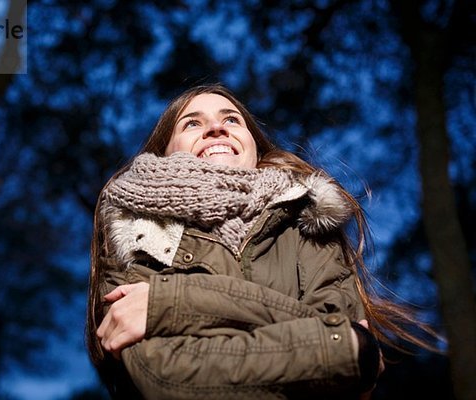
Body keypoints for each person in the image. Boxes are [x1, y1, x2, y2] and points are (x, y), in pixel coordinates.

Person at [86, 83, 439, 399]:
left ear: (255, 145)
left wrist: (171, 303)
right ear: (164, 151)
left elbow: (342, 365)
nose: (215, 127)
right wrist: (324, 343)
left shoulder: (306, 222)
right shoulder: (134, 230)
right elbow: (166, 376)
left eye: (233, 119)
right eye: (192, 123)